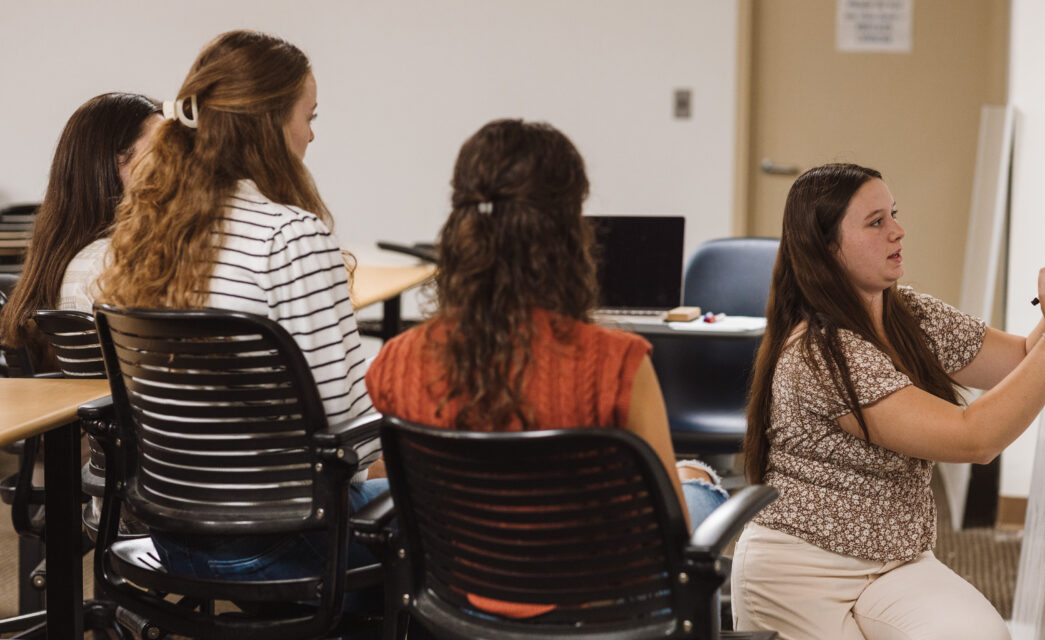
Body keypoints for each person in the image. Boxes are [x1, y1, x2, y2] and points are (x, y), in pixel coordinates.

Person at [365, 119, 728, 616]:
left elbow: (396, 478)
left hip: (459, 597)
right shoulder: (617, 362)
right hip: (600, 602)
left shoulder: (396, 362)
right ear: (570, 231)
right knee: (702, 487)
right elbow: (673, 536)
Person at [731, 163, 1045, 640]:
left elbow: (1023, 360)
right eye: (875, 222)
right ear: (827, 248)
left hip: (895, 560)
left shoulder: (910, 315)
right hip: (801, 570)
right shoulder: (819, 353)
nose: (898, 231)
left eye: (893, 215)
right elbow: (973, 439)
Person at [95, 30, 385, 585]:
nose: (311, 135)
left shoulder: (146, 235)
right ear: (270, 124)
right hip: (286, 543)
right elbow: (346, 426)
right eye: (309, 116)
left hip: (171, 536)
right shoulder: (289, 236)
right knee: (472, 524)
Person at [0, 92, 160, 369]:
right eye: (162, 154)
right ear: (112, 165)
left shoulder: (66, 256)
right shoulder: (110, 262)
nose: (181, 167)